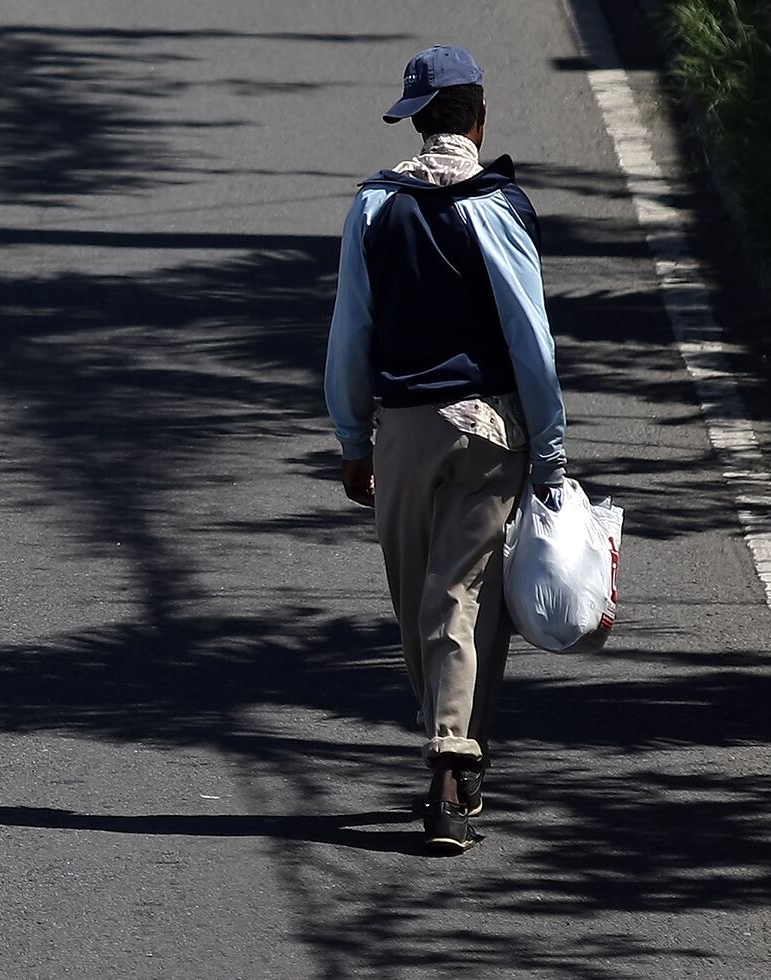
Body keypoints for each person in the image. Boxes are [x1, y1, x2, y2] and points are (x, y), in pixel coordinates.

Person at [324, 45, 566, 852]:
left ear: (417, 119)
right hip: (491, 431)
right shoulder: (501, 206)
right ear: (480, 116)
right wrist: (552, 447)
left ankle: (451, 763)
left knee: (423, 604)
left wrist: (353, 438)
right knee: (460, 601)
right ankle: (457, 761)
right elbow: (529, 338)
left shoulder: (371, 208)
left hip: (402, 433)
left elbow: (350, 336)